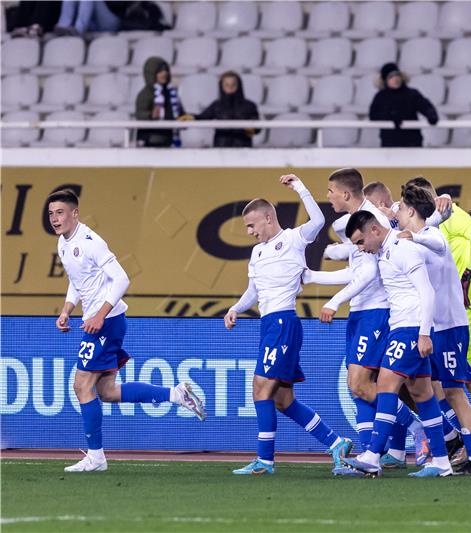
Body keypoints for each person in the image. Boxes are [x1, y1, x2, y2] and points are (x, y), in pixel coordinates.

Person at [48, 189, 206, 473]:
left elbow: (122, 279)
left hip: (106, 321)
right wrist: (66, 309)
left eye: (60, 212)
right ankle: (175, 394)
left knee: (81, 385)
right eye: (51, 214)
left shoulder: (90, 242)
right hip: (100, 320)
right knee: (106, 391)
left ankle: (96, 457)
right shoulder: (63, 243)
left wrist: (99, 314)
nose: (55, 218)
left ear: (75, 213)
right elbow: (77, 279)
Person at [301, 168, 429, 470]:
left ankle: (417, 430)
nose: (328, 196)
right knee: (364, 384)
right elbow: (358, 270)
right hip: (362, 311)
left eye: (330, 190)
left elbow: (370, 273)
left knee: (362, 384)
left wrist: (333, 301)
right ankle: (384, 451)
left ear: (346, 193)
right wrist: (313, 276)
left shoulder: (370, 220)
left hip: (378, 311)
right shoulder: (358, 221)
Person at [224, 174, 352, 476]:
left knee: (260, 388)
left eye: (252, 225)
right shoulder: (256, 253)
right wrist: (235, 308)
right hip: (269, 324)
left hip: (284, 322)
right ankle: (335, 443)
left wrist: (300, 188)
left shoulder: (293, 238)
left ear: (269, 218)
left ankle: (265, 461)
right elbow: (253, 291)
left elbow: (319, 220)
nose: (250, 232)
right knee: (282, 398)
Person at [343, 211, 453, 477]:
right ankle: (441, 461)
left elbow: (426, 291)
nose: (360, 248)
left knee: (385, 384)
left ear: (375, 231)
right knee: (421, 394)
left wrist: (424, 333)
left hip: (411, 328)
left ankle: (372, 456)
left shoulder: (402, 249)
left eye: (360, 241)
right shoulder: (385, 250)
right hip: (404, 327)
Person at [407, 176, 471, 465]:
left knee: (437, 381)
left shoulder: (451, 216)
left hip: (461, 312)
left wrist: (467, 275)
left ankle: (465, 443)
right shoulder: (429, 223)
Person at [179, 71, 260, 148]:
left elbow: (257, 126)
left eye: (233, 84)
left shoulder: (250, 106)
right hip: (221, 149)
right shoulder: (217, 105)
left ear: (239, 85)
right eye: (226, 85)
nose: (230, 87)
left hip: (243, 149)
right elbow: (203, 117)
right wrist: (191, 117)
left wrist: (252, 129)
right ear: (221, 86)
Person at [368, 62, 439, 148]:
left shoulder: (412, 94)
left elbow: (425, 106)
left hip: (412, 142)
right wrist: (391, 116)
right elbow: (373, 115)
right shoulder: (380, 97)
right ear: (385, 80)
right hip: (390, 143)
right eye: (391, 77)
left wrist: (431, 115)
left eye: (397, 75)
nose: (395, 79)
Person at [135, 56, 187, 148]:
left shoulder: (172, 93)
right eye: (160, 71)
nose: (164, 74)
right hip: (151, 140)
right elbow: (140, 114)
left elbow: (180, 112)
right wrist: (151, 115)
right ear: (152, 74)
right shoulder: (145, 94)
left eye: (166, 71)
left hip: (170, 140)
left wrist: (185, 118)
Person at [54, 1, 125, 35]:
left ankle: (79, 29)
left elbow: (119, 4)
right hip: (91, 23)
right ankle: (63, 26)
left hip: (111, 21)